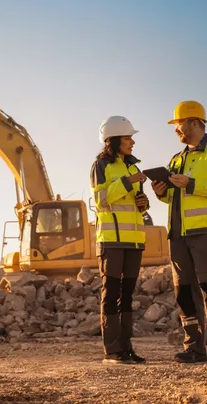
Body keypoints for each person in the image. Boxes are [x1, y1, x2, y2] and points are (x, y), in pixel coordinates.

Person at [151, 100, 207, 365]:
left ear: (195, 122)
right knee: (184, 293)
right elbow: (174, 199)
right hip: (177, 235)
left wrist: (191, 184)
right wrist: (161, 193)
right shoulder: (176, 159)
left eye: (178, 124)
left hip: (205, 231)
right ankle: (194, 348)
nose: (176, 129)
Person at [89, 115, 150, 364]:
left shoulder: (133, 167)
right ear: (113, 140)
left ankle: (127, 348)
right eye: (127, 138)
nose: (132, 142)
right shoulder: (101, 166)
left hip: (134, 241)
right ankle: (112, 350)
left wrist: (143, 203)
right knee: (111, 293)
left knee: (127, 296)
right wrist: (127, 182)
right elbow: (101, 200)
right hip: (111, 242)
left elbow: (139, 206)